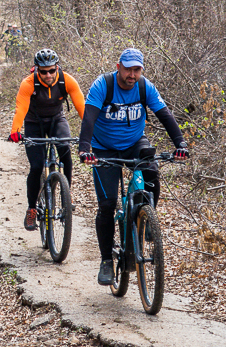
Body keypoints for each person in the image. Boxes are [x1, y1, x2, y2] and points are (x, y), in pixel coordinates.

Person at [77, 48, 189, 286]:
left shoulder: (144, 86)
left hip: (134, 143)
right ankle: (107, 260)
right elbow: (88, 118)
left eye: (136, 69)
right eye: (128, 68)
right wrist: (85, 148)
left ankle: (148, 220)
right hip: (103, 147)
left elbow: (164, 114)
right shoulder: (102, 85)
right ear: (118, 67)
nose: (132, 74)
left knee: (151, 171)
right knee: (106, 205)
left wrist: (180, 143)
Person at [8, 49, 86, 231]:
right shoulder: (28, 83)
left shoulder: (66, 80)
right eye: (43, 71)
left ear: (57, 67)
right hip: (34, 123)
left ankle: (67, 195)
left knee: (65, 151)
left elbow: (82, 107)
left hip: (56, 120)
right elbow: (20, 109)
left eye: (52, 70)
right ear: (36, 70)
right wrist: (15, 131)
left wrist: (93, 132)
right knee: (36, 166)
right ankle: (32, 209)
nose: (48, 75)